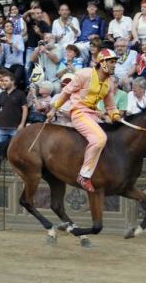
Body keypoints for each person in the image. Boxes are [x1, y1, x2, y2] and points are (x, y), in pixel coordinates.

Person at [47, 49, 122, 192]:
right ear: (102, 62)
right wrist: (53, 109)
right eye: (112, 62)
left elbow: (110, 106)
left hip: (93, 115)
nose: (114, 65)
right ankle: (84, 175)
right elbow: (66, 92)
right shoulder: (84, 74)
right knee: (99, 138)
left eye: (115, 63)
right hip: (79, 112)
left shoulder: (110, 82)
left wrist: (116, 116)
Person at [0, 73, 28, 143]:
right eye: (3, 81)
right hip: (2, 128)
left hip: (15, 128)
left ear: (12, 81)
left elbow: (25, 109)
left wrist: (22, 124)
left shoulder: (20, 94)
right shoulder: (2, 94)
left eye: (6, 81)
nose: (4, 83)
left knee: (15, 150)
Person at [0, 21, 25, 90]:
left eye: (11, 26)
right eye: (7, 26)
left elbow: (22, 49)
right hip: (8, 65)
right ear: (4, 29)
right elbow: (1, 54)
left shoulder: (18, 37)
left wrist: (11, 43)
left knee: (15, 78)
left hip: (18, 64)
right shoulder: (3, 40)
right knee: (3, 79)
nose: (9, 27)